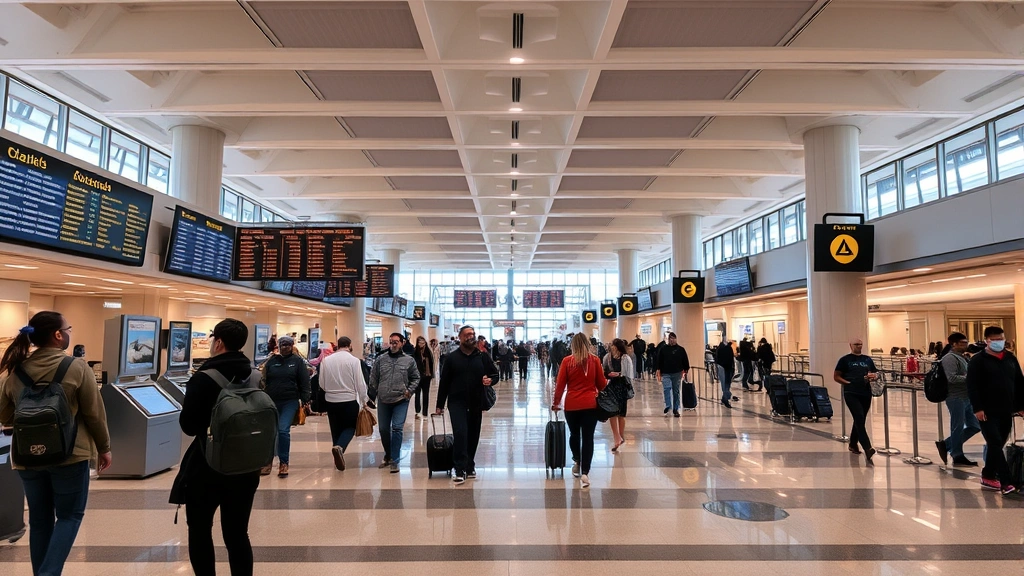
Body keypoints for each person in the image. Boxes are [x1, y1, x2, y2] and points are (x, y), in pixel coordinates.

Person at [0, 312, 112, 576]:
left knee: (39, 522)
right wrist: (104, 448)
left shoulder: (16, 370)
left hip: (28, 458)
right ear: (58, 335)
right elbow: (94, 414)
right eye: (67, 328)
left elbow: (4, 415)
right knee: (69, 516)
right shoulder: (77, 367)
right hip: (70, 456)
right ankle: (48, 573)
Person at [172, 318, 260, 576]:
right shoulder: (254, 375)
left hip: (206, 466)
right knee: (237, 533)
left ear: (218, 342)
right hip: (246, 466)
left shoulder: (203, 378)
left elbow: (189, 426)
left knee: (200, 529)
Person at [435, 326, 499, 484]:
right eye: (467, 334)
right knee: (461, 432)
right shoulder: (451, 358)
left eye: (473, 334)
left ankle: (470, 464)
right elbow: (444, 382)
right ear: (460, 337)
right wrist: (439, 404)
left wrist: (490, 380)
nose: (471, 337)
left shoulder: (482, 356)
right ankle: (459, 468)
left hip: (476, 401)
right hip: (457, 402)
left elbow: (495, 374)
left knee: (473, 434)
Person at [966, 326, 1024, 494]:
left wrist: (1021, 406)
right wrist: (977, 408)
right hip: (986, 411)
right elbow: (972, 387)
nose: (999, 342)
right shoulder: (978, 360)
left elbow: (1019, 383)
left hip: (1006, 409)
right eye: (995, 339)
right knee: (995, 442)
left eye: (1001, 339)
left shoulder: (1010, 358)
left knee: (997, 444)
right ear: (987, 341)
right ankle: (1006, 481)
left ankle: (988, 475)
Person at [552, 333, 607, 488]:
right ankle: (585, 472)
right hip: (590, 405)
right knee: (588, 438)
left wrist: (556, 403)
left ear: (572, 345)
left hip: (572, 405)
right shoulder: (595, 361)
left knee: (574, 434)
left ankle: (576, 460)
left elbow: (560, 385)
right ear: (587, 344)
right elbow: (602, 385)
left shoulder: (567, 361)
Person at [260, 335, 310, 478]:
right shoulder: (272, 361)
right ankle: (267, 462)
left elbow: (304, 382)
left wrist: (305, 399)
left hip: (290, 401)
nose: (285, 347)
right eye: (282, 345)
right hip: (272, 401)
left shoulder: (298, 362)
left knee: (282, 430)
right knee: (270, 432)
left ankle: (284, 463)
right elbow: (264, 379)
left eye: (287, 345)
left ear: (292, 346)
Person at [369, 333, 420, 473]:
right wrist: (375, 392)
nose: (393, 344)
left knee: (397, 428)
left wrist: (409, 391)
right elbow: (373, 377)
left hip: (401, 399)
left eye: (396, 342)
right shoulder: (380, 359)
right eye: (391, 342)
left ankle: (395, 460)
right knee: (383, 429)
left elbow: (416, 377)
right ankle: (388, 454)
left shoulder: (409, 360)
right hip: (384, 399)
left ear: (402, 343)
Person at [319, 336, 370, 471]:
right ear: (349, 345)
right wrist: (364, 400)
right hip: (349, 400)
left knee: (335, 429)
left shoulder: (326, 361)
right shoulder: (354, 361)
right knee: (350, 427)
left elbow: (322, 384)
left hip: (331, 400)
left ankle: (337, 458)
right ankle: (340, 448)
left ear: (337, 345)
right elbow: (360, 383)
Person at [934, 332, 980, 467]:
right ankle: (957, 454)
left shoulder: (963, 357)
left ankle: (946, 444)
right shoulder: (949, 358)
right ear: (953, 344)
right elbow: (952, 378)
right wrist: (969, 377)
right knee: (957, 427)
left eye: (966, 342)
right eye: (962, 343)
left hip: (967, 397)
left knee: (974, 426)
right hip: (955, 397)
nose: (965, 345)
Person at [834, 338, 880, 463]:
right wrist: (847, 383)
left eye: (860, 344)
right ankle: (867, 447)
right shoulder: (845, 360)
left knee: (860, 419)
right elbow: (836, 376)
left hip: (865, 392)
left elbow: (875, 373)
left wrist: (874, 376)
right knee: (859, 417)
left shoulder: (867, 359)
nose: (858, 346)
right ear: (850, 345)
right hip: (851, 393)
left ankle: (853, 444)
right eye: (856, 344)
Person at [603, 339, 634, 453]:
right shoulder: (607, 357)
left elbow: (629, 374)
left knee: (621, 414)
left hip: (622, 387)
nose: (611, 346)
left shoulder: (625, 358)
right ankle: (616, 437)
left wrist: (619, 374)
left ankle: (621, 435)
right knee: (612, 413)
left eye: (613, 345)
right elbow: (604, 371)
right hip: (611, 386)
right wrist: (608, 374)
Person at [655, 332, 690, 416]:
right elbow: (659, 360)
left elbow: (685, 360)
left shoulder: (680, 349)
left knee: (676, 391)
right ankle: (668, 405)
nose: (672, 340)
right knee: (666, 388)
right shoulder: (663, 349)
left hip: (677, 373)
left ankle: (675, 408)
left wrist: (686, 369)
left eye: (674, 338)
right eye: (670, 338)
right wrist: (658, 370)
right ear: (668, 339)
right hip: (666, 373)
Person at [413, 336, 435, 420]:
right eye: (419, 342)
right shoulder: (415, 352)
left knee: (426, 395)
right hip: (417, 377)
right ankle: (417, 412)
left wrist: (431, 375)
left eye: (423, 342)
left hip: (427, 377)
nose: (421, 344)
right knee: (417, 395)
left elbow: (431, 364)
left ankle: (425, 413)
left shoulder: (428, 352)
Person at [715, 340, 738, 407]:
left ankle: (725, 397)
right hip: (727, 368)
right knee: (726, 384)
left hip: (723, 367)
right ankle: (725, 398)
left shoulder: (720, 348)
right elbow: (731, 359)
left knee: (725, 384)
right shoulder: (728, 348)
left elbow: (717, 359)